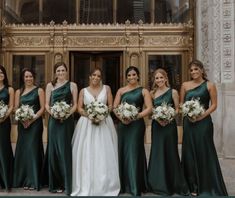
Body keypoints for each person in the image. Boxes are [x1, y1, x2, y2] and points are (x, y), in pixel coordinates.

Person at [180, 60, 228, 196]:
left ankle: (207, 185)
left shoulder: (210, 85)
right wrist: (187, 113)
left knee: (204, 151)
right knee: (189, 152)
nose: (194, 72)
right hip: (189, 122)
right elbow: (181, 104)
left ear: (202, 70)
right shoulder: (184, 85)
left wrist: (201, 115)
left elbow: (214, 105)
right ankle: (192, 185)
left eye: (196, 69)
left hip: (204, 123)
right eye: (191, 70)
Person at [71, 67, 120, 196]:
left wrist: (102, 114)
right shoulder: (83, 91)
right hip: (86, 124)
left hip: (104, 123)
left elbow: (110, 106)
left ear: (101, 78)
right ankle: (86, 182)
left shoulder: (107, 89)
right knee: (87, 150)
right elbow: (79, 108)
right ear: (89, 76)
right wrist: (90, 115)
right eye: (94, 75)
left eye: (98, 76)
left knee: (104, 151)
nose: (96, 78)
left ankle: (106, 184)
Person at [147, 68, 189, 195]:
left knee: (170, 152)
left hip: (169, 126)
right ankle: (157, 183)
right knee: (157, 152)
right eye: (156, 78)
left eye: (161, 77)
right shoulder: (152, 93)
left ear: (166, 78)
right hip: (157, 126)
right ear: (154, 80)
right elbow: (150, 110)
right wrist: (158, 118)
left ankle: (173, 184)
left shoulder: (173, 92)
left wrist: (168, 117)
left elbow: (177, 109)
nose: (159, 80)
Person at [113, 66, 152, 196]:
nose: (131, 77)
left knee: (134, 151)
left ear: (138, 75)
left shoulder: (144, 91)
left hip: (136, 125)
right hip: (123, 125)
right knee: (123, 151)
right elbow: (114, 107)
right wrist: (122, 117)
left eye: (134, 74)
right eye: (129, 75)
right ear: (126, 77)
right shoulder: (121, 90)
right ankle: (124, 185)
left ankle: (136, 185)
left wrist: (135, 116)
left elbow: (149, 108)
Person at [45, 62, 77, 195]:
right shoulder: (50, 85)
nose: (60, 73)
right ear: (55, 72)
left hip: (67, 121)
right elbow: (47, 104)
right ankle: (55, 183)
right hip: (54, 121)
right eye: (58, 71)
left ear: (67, 71)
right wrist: (54, 113)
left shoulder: (72, 85)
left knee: (65, 149)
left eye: (63, 70)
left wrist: (66, 114)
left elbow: (74, 105)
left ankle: (67, 182)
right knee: (54, 150)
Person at [13, 68, 45, 191]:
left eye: (30, 76)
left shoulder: (39, 90)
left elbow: (42, 108)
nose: (28, 79)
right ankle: (21, 179)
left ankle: (33, 180)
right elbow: (16, 108)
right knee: (23, 150)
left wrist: (32, 119)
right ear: (23, 78)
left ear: (34, 77)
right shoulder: (18, 92)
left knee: (33, 150)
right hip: (23, 124)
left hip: (35, 124)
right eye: (26, 76)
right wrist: (22, 118)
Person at [0, 65, 14, 191]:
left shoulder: (9, 89)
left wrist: (4, 116)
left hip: (4, 123)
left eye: (1, 73)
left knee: (4, 149)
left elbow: (11, 106)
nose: (0, 75)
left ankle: (6, 181)